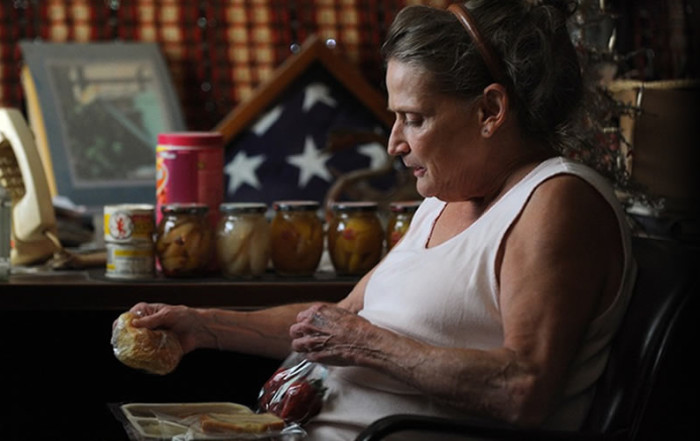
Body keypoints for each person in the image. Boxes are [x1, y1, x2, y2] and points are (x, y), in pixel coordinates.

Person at [120, 1, 637, 439]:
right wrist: (203, 326)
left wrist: (367, 345)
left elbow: (523, 388)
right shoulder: (444, 199)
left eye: (414, 118)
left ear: (490, 110)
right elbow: (336, 319)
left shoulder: (556, 200)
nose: (394, 142)